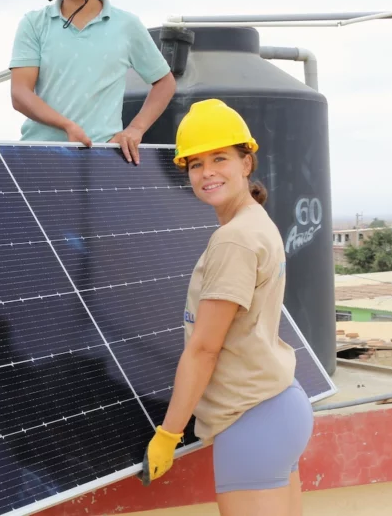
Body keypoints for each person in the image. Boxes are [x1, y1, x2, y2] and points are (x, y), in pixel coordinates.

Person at [139, 99, 313, 516]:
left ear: (246, 162)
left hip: (251, 418)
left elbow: (204, 348)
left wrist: (168, 433)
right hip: (278, 405)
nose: (207, 172)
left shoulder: (234, 239)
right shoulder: (256, 221)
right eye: (196, 164)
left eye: (220, 158)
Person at [9, 0, 176, 165]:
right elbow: (20, 94)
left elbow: (164, 82)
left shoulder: (127, 25)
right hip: (39, 154)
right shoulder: (33, 23)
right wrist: (66, 125)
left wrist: (135, 129)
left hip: (103, 155)